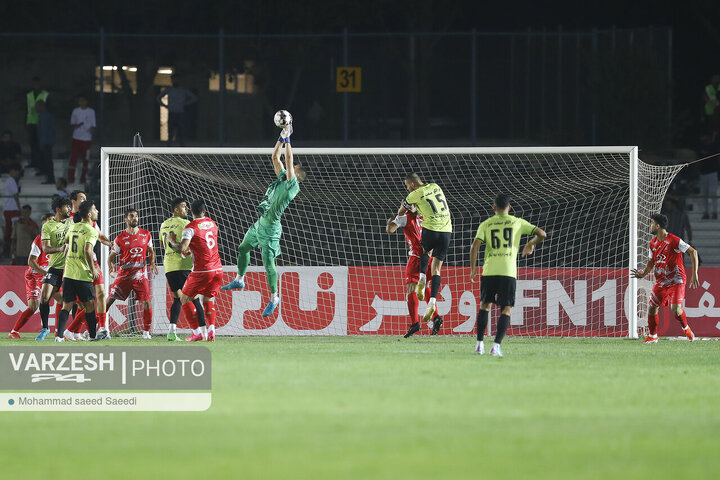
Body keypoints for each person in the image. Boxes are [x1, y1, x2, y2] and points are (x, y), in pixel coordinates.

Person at [221, 124, 306, 318]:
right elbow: (275, 158)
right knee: (243, 248)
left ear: (296, 175)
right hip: (260, 224)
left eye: (292, 168)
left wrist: (289, 138)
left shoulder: (292, 186)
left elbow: (288, 158)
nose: (288, 168)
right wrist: (281, 137)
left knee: (269, 265)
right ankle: (240, 279)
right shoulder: (282, 179)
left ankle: (275, 298)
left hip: (271, 230)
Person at [469, 194, 546, 356]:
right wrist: (531, 244)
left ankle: (479, 344)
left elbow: (475, 246)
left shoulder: (486, 224)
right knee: (506, 309)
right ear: (509, 208)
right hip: (508, 272)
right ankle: (496, 346)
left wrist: (473, 268)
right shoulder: (517, 222)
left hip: (489, 271)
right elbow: (542, 233)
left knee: (485, 305)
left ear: (494, 208)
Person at [631, 213, 699, 344]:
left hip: (676, 280)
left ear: (657, 226)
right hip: (661, 281)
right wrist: (643, 273)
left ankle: (686, 329)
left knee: (676, 310)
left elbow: (693, 252)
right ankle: (653, 336)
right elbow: (651, 261)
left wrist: (695, 274)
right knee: (652, 308)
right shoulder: (653, 243)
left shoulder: (674, 240)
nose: (649, 226)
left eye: (651, 223)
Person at [397, 172, 452, 329]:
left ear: (412, 185)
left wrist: (407, 207)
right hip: (447, 231)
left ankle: (421, 279)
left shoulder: (414, 195)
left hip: (431, 230)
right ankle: (433, 302)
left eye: (407, 186)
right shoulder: (436, 186)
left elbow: (401, 212)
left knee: (425, 252)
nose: (407, 189)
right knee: (436, 270)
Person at [166, 199, 220, 342]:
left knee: (184, 298)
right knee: (208, 299)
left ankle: (197, 333)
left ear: (191, 211)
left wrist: (172, 241)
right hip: (218, 269)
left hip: (202, 270)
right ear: (204, 211)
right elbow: (205, 245)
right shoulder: (213, 223)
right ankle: (212, 331)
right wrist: (193, 250)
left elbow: (182, 247)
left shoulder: (190, 227)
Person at [386, 204, 442, 338]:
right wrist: (392, 221)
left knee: (412, 288)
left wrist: (391, 223)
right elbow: (391, 229)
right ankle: (436, 317)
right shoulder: (409, 218)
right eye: (408, 205)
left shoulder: (418, 217)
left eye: (414, 205)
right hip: (429, 257)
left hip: (417, 257)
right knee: (426, 287)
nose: (411, 207)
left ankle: (415, 323)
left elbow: (390, 230)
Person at [64, 190, 113, 338]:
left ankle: (103, 328)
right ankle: (69, 331)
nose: (85, 200)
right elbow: (66, 243)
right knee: (81, 304)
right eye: (82, 198)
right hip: (75, 266)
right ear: (74, 201)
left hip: (92, 261)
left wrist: (111, 244)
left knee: (101, 293)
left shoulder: (92, 223)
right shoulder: (68, 221)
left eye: (86, 198)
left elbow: (100, 236)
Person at [105, 208, 157, 340]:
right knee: (109, 300)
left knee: (147, 301)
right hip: (124, 275)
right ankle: (98, 327)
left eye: (136, 216)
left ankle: (146, 332)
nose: (135, 218)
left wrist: (152, 263)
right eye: (131, 216)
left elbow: (151, 251)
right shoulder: (120, 238)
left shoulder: (146, 234)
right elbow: (111, 257)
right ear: (126, 219)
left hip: (140, 275)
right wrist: (111, 269)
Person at [8, 213, 60, 338]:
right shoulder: (39, 239)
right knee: (33, 306)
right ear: (43, 225)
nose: (51, 223)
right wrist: (45, 273)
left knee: (63, 299)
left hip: (49, 274)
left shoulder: (58, 237)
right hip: (35, 275)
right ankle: (14, 331)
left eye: (53, 221)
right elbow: (31, 262)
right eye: (48, 221)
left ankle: (58, 331)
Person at [55, 200, 101, 342]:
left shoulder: (72, 227)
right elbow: (88, 250)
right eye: (94, 210)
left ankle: (59, 336)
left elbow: (66, 248)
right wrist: (93, 269)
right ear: (88, 214)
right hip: (82, 274)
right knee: (89, 306)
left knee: (67, 305)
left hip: (69, 273)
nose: (97, 212)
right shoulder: (91, 230)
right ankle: (93, 336)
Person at [159, 197, 202, 341]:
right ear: (176, 209)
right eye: (184, 207)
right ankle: (203, 331)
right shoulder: (186, 224)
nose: (187, 209)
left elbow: (161, 244)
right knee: (195, 299)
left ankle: (171, 331)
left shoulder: (164, 224)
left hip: (169, 266)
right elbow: (190, 244)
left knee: (177, 299)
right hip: (183, 265)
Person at [36, 196, 72, 341]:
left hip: (70, 269)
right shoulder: (48, 226)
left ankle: (71, 331)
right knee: (44, 298)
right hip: (55, 268)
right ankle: (45, 328)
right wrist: (60, 248)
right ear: (58, 209)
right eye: (66, 206)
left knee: (73, 302)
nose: (69, 209)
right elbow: (45, 248)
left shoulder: (72, 223)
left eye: (70, 206)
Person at [156, 74, 198, 146]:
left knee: (181, 133)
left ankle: (181, 151)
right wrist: (165, 105)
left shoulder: (183, 90)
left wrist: (185, 104)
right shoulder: (169, 90)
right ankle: (169, 150)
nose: (175, 81)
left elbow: (194, 98)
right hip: (172, 113)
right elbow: (158, 98)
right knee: (170, 133)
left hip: (180, 113)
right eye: (174, 79)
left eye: (177, 79)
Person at [68, 94, 96, 183]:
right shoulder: (75, 111)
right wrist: (77, 125)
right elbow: (72, 123)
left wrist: (91, 136)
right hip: (76, 138)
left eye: (83, 100)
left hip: (86, 139)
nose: (81, 102)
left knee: (85, 159)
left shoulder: (91, 111)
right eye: (80, 100)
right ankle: (71, 177)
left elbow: (93, 125)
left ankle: (83, 177)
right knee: (74, 157)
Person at [26, 76, 49, 167]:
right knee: (33, 144)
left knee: (41, 144)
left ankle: (41, 163)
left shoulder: (45, 94)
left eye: (37, 83)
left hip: (42, 122)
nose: (36, 85)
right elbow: (27, 109)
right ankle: (34, 162)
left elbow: (48, 108)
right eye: (34, 83)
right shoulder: (29, 95)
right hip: (31, 122)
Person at [3, 164, 22, 257]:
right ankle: (9, 250)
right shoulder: (12, 181)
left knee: (9, 229)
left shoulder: (8, 181)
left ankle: (7, 250)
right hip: (12, 209)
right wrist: (19, 208)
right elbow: (15, 195)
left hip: (8, 209)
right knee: (12, 231)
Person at [35, 99, 56, 184]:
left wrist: (42, 142)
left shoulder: (44, 116)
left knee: (47, 159)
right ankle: (47, 174)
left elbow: (44, 130)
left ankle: (50, 178)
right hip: (47, 141)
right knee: (46, 159)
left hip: (46, 142)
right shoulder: (44, 115)